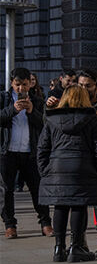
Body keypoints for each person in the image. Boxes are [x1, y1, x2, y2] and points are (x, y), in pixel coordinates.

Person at [54, 70, 97, 258]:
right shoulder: (72, 100)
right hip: (78, 161)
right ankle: (79, 241)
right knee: (78, 204)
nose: (84, 88)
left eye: (88, 85)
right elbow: (55, 127)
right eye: (81, 84)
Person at [36, 85, 97, 262]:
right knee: (79, 205)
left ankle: (58, 248)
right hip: (83, 167)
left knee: (60, 206)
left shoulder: (52, 120)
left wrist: (45, 170)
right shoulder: (92, 120)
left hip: (57, 167)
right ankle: (76, 247)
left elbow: (42, 148)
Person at [1, 67, 51, 238]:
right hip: (7, 152)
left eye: (24, 84)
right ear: (11, 83)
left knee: (37, 188)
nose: (21, 88)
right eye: (17, 85)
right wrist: (12, 110)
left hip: (30, 152)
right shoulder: (3, 98)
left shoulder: (37, 101)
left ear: (30, 83)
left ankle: (45, 223)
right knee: (6, 190)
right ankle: (10, 225)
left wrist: (31, 111)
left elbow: (45, 124)